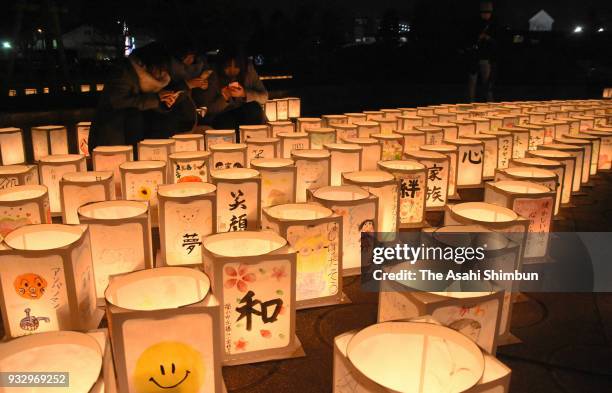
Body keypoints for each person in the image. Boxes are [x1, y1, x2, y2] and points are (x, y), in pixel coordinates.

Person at [89, 43, 179, 151]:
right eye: (160, 68)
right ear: (148, 63)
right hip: (113, 136)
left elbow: (147, 103)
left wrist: (164, 102)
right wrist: (156, 99)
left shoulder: (152, 81)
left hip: (136, 135)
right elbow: (118, 102)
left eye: (165, 70)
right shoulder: (123, 74)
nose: (162, 73)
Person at [145, 43, 212, 137]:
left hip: (186, 119)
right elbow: (162, 104)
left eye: (192, 57)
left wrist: (202, 86)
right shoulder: (168, 77)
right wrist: (187, 85)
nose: (190, 60)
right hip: (166, 125)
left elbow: (201, 101)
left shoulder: (194, 71)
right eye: (187, 57)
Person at [202, 46, 268, 133]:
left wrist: (244, 94)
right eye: (228, 66)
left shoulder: (248, 72)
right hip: (223, 119)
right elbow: (209, 109)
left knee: (253, 109)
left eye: (236, 66)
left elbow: (264, 96)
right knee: (226, 121)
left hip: (247, 116)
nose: (232, 70)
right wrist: (224, 98)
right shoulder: (213, 75)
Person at [465, 1, 498, 102]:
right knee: (472, 83)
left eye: (488, 12)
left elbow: (497, 41)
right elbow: (468, 38)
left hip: (486, 58)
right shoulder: (474, 23)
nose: (486, 14)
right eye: (484, 12)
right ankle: (470, 103)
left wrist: (487, 38)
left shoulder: (493, 24)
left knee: (487, 84)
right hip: (475, 56)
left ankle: (489, 104)